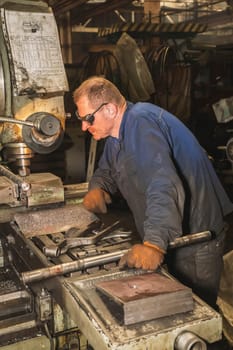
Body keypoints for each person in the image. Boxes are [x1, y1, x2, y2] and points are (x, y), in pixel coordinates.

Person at [73, 76, 233, 308]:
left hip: (197, 236)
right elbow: (107, 168)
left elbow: (163, 184)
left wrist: (154, 244)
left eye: (88, 119)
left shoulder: (141, 124)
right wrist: (97, 187)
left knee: (196, 309)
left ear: (109, 109)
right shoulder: (118, 133)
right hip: (176, 235)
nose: (84, 127)